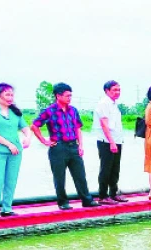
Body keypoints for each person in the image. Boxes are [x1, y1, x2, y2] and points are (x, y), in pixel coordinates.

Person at [31, 82, 100, 210]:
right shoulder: (49, 111)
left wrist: (81, 145)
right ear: (58, 96)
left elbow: (78, 128)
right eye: (67, 96)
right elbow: (34, 125)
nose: (70, 98)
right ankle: (63, 202)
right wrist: (44, 141)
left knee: (80, 175)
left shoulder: (73, 110)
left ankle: (87, 200)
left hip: (73, 146)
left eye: (70, 96)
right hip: (58, 148)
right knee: (59, 177)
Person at [0, 83, 31, 218]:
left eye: (12, 94)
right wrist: (8, 144)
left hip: (15, 153)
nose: (10, 97)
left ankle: (7, 209)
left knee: (11, 180)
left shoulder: (15, 112)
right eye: (7, 94)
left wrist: (28, 138)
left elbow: (26, 128)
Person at [93, 80, 128, 205]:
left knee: (115, 168)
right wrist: (111, 142)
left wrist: (116, 142)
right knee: (106, 168)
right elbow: (104, 124)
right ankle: (103, 196)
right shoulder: (104, 104)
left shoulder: (114, 104)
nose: (117, 92)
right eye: (114, 90)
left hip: (117, 140)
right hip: (106, 141)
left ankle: (113, 193)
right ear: (106, 91)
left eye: (119, 90)